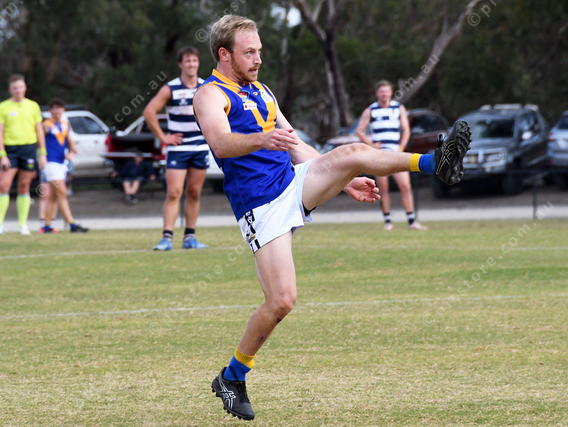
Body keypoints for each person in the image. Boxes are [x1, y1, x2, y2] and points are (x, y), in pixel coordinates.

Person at [193, 15, 471, 420]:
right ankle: (232, 376)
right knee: (282, 301)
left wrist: (343, 181)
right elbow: (220, 142)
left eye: (260, 51)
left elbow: (297, 146)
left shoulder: (262, 91)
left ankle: (433, 162)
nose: (258, 59)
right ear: (224, 54)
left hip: (291, 183)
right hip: (259, 204)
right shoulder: (209, 94)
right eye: (249, 52)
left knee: (353, 154)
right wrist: (262, 138)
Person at [143, 46, 209, 251]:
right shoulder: (170, 88)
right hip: (178, 150)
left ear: (198, 63)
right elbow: (149, 112)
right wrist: (163, 137)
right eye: (187, 61)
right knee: (173, 192)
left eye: (194, 60)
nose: (191, 64)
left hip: (200, 147)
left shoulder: (205, 87)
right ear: (180, 64)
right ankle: (167, 238)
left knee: (194, 192)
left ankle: (190, 238)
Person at [356, 80, 427, 231]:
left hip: (396, 153)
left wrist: (401, 147)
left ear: (391, 93)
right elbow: (359, 130)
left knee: (405, 186)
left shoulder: (398, 108)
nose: (384, 94)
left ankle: (412, 221)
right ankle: (388, 221)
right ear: (377, 93)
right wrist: (371, 145)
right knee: (383, 188)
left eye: (386, 91)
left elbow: (406, 130)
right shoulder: (371, 110)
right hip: (380, 155)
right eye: (381, 91)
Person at [0, 74, 46, 235]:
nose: (18, 90)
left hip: (28, 148)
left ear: (25, 88)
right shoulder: (2, 107)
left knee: (24, 186)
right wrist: (2, 154)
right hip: (10, 149)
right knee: (4, 184)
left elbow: (39, 130)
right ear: (10, 89)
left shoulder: (33, 106)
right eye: (15, 88)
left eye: (21, 87)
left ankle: (22, 225)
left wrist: (43, 153)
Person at [40, 98, 88, 233]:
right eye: (54, 108)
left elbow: (72, 145)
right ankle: (72, 224)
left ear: (63, 110)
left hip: (61, 163)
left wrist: (71, 153)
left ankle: (47, 225)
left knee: (54, 196)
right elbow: (39, 141)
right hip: (51, 162)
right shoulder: (46, 125)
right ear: (50, 111)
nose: (57, 111)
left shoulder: (65, 125)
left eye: (59, 108)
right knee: (62, 192)